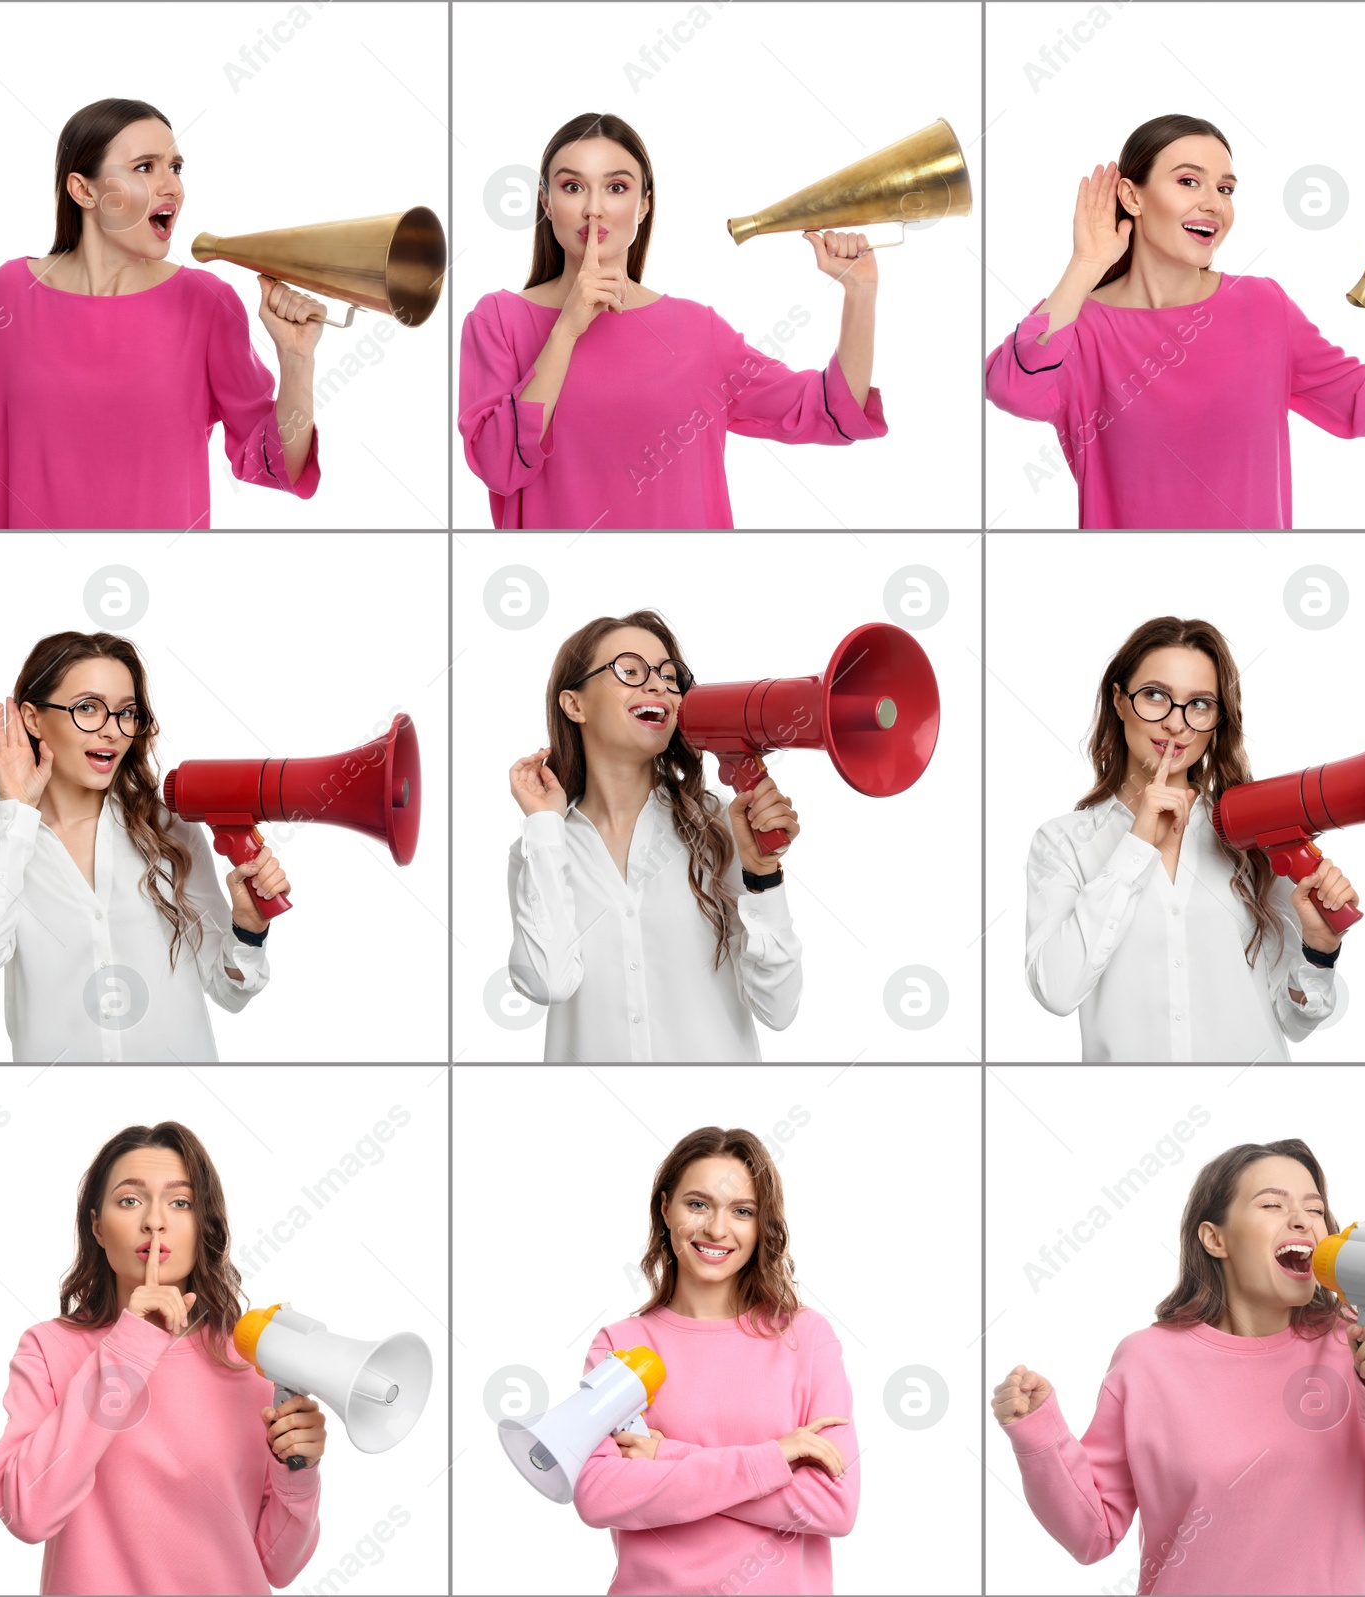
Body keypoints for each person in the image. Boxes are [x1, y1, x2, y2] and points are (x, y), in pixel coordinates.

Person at [993, 1140, 1365, 1595]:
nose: (1303, 1219)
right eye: (1271, 1204)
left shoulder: (1352, 1349)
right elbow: (1092, 1535)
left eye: (1316, 1209)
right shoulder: (1147, 1362)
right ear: (1214, 1238)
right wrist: (1040, 1436)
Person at [985, 115, 1365, 529]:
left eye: (1225, 189)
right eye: (1189, 181)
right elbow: (1012, 389)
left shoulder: (1262, 306)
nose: (1215, 204)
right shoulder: (1080, 327)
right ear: (1132, 196)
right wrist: (1086, 263)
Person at [458, 111, 887, 528]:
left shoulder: (699, 331)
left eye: (616, 187)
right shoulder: (498, 320)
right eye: (572, 186)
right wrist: (566, 329)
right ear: (546, 202)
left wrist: (861, 292)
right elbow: (499, 468)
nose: (594, 208)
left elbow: (831, 411)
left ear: (644, 205)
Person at [0, 97, 324, 528]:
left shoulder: (207, 303)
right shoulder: (10, 292)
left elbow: (273, 463)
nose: (173, 187)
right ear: (84, 190)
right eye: (145, 167)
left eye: (176, 167)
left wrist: (297, 360)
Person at [0, 1122, 326, 1595]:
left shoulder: (250, 1358)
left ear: (203, 1226)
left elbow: (277, 1565)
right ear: (97, 1227)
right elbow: (25, 1512)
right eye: (130, 1200)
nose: (155, 1220)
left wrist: (300, 1473)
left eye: (181, 1202)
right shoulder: (48, 1350)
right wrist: (129, 1347)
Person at [1025, 616, 1360, 1061]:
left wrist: (1318, 951)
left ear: (1217, 720)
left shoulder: (1251, 831)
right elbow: (1056, 989)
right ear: (1119, 701)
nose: (1175, 724)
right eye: (1155, 696)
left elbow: (1294, 1021)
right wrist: (1136, 845)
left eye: (1199, 704)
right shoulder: (1063, 843)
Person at [0, 631, 286, 1060]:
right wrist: (16, 809)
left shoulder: (170, 832)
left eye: (127, 712)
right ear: (32, 718)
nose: (112, 731)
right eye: (88, 707)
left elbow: (229, 990)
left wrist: (248, 929)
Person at [506, 609, 803, 1061]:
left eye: (670, 676)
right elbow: (547, 982)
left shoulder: (720, 828)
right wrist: (544, 827)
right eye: (630, 670)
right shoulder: (540, 847)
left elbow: (778, 1008)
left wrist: (763, 875)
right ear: (575, 704)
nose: (659, 685)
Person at [571, 1129, 858, 1595]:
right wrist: (774, 1458)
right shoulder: (619, 1346)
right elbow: (600, 1496)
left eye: (741, 1211)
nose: (717, 1229)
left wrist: (669, 1455)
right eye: (698, 1204)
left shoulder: (806, 1338)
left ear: (761, 1224)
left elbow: (832, 1506)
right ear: (665, 1208)